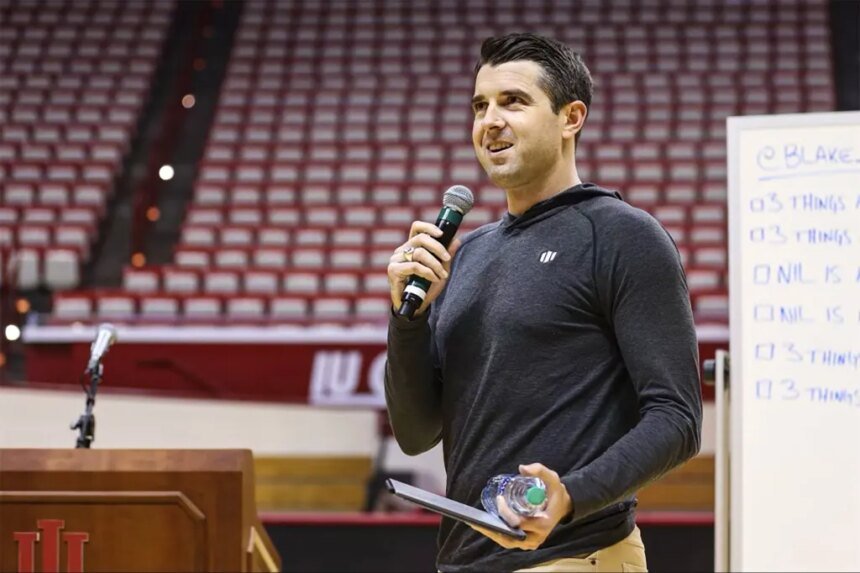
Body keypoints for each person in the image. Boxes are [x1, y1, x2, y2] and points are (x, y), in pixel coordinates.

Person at [384, 32, 702, 573]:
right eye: (480, 106)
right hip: (462, 561)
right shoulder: (467, 255)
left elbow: (678, 418)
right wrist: (406, 320)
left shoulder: (622, 236)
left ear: (570, 117)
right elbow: (416, 434)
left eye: (513, 102)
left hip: (575, 556)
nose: (490, 121)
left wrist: (571, 496)